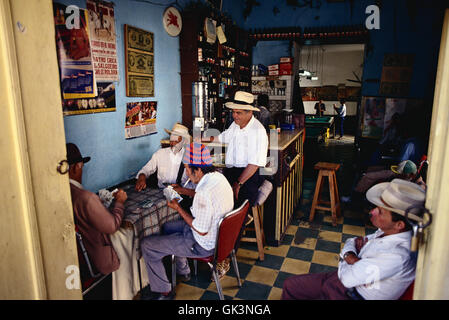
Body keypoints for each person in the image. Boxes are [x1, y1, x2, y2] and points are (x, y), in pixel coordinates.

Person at [282, 178, 425, 300]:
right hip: (340, 280)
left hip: (348, 294)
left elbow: (347, 279)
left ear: (399, 224)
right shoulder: (387, 232)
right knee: (290, 285)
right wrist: (352, 258)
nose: (372, 212)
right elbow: (351, 241)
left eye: (380, 212)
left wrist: (351, 257)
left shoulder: (398, 255)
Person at [139, 143, 234, 300]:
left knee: (147, 245)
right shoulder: (218, 178)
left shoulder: (203, 192)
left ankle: (164, 291)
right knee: (166, 227)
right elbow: (202, 195)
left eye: (188, 170)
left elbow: (200, 229)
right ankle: (183, 270)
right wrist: (182, 190)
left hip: (202, 244)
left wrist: (178, 208)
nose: (187, 174)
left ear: (197, 170)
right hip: (220, 239)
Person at [67, 143, 127, 275]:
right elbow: (112, 226)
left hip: (80, 256)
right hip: (99, 256)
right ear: (77, 167)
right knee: (129, 237)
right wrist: (120, 202)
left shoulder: (67, 193)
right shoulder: (86, 198)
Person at [202, 91, 269, 208]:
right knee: (220, 202)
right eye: (233, 112)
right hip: (232, 171)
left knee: (237, 209)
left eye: (238, 113)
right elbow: (222, 137)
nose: (234, 116)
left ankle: (239, 223)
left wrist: (238, 184)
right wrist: (202, 139)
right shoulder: (236, 125)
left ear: (250, 113)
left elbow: (254, 164)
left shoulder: (258, 131)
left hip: (248, 176)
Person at [135, 123, 191, 191]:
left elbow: (196, 183)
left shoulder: (190, 157)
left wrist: (183, 189)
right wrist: (141, 178)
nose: (173, 143)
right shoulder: (160, 154)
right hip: (161, 192)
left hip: (183, 194)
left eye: (177, 140)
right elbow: (145, 170)